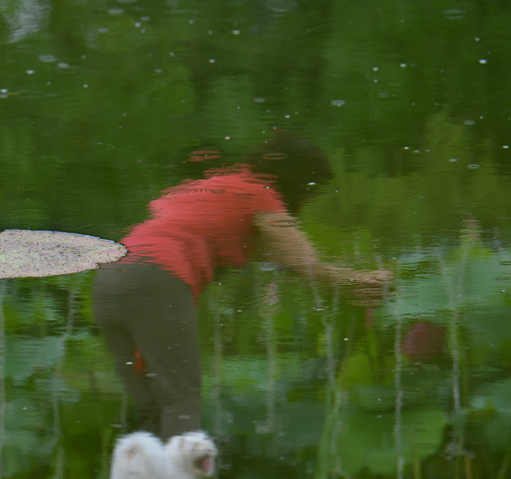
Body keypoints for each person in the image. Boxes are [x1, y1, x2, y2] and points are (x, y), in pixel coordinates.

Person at [92, 134, 392, 440]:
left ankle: (147, 470)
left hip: (109, 277)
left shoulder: (209, 188)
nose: (308, 198)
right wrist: (358, 281)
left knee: (151, 405)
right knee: (180, 401)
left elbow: (271, 257)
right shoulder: (259, 194)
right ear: (298, 180)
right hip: (156, 278)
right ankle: (179, 471)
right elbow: (302, 263)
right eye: (310, 189)